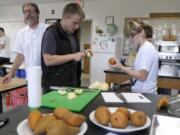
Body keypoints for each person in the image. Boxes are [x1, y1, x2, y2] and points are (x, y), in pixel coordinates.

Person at [41, 3, 86, 93]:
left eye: (79, 23)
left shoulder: (72, 34)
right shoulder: (51, 33)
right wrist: (73, 56)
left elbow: (70, 53)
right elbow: (48, 60)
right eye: (75, 23)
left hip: (72, 85)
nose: (77, 26)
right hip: (55, 88)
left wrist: (82, 53)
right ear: (65, 18)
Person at [2, 2, 47, 84]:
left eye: (30, 11)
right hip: (30, 77)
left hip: (48, 77)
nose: (27, 14)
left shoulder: (47, 30)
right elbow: (20, 56)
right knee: (32, 97)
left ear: (37, 13)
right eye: (25, 12)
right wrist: (11, 73)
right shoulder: (21, 33)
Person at [110, 20, 159, 94]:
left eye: (132, 35)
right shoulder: (142, 48)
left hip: (145, 94)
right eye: (128, 36)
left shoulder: (146, 49)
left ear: (142, 32)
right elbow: (139, 73)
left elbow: (142, 76)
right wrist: (125, 83)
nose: (130, 39)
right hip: (141, 93)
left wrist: (121, 67)